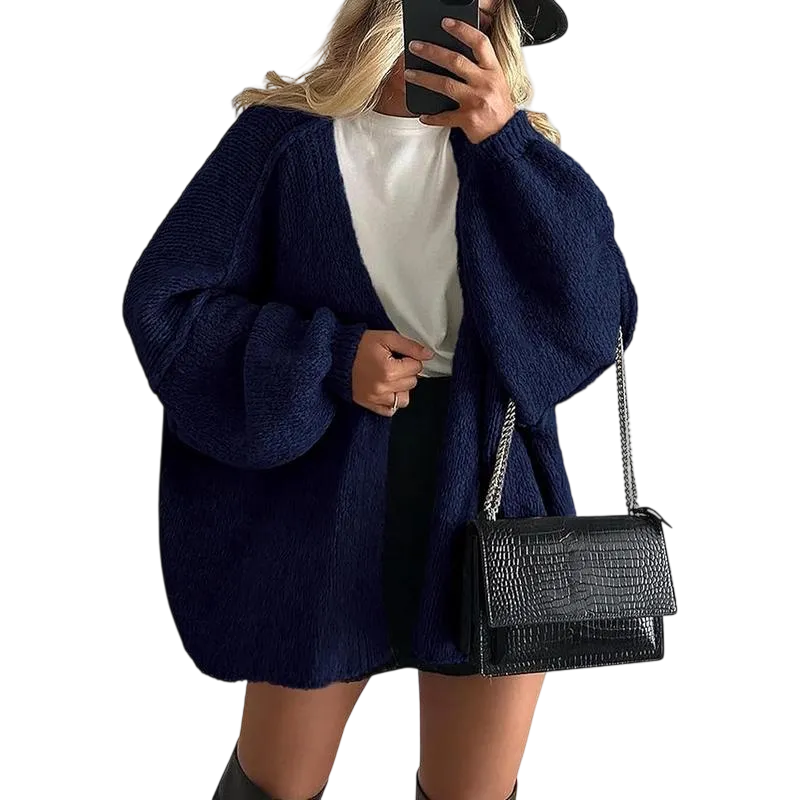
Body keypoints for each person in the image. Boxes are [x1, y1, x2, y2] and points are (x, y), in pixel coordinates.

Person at [123, 1, 638, 798]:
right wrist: (332, 357)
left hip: (490, 495)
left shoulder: (522, 153)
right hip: (316, 499)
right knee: (275, 787)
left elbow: (593, 326)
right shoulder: (284, 140)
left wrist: (505, 145)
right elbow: (169, 306)